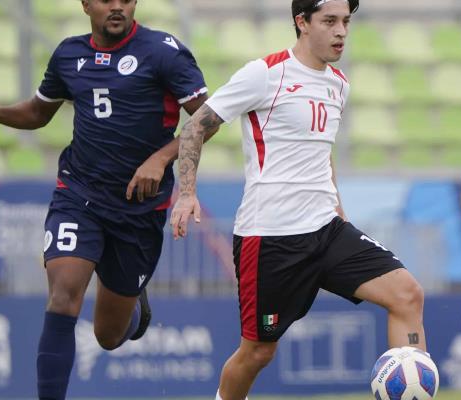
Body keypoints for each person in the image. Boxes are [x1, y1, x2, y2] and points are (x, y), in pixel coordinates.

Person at [169, 1, 429, 399]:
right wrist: (186, 193)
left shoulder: (339, 84)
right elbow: (195, 129)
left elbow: (320, 151)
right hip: (270, 239)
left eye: (346, 21)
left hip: (327, 229)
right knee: (258, 352)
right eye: (330, 21)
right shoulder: (265, 74)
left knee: (407, 293)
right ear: (302, 23)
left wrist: (338, 209)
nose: (341, 31)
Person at [0, 1, 210, 398]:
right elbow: (38, 113)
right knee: (63, 294)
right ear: (85, 4)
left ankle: (134, 311)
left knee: (108, 336)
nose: (116, 6)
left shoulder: (165, 52)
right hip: (79, 193)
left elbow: (208, 117)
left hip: (138, 208)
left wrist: (160, 157)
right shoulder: (68, 53)